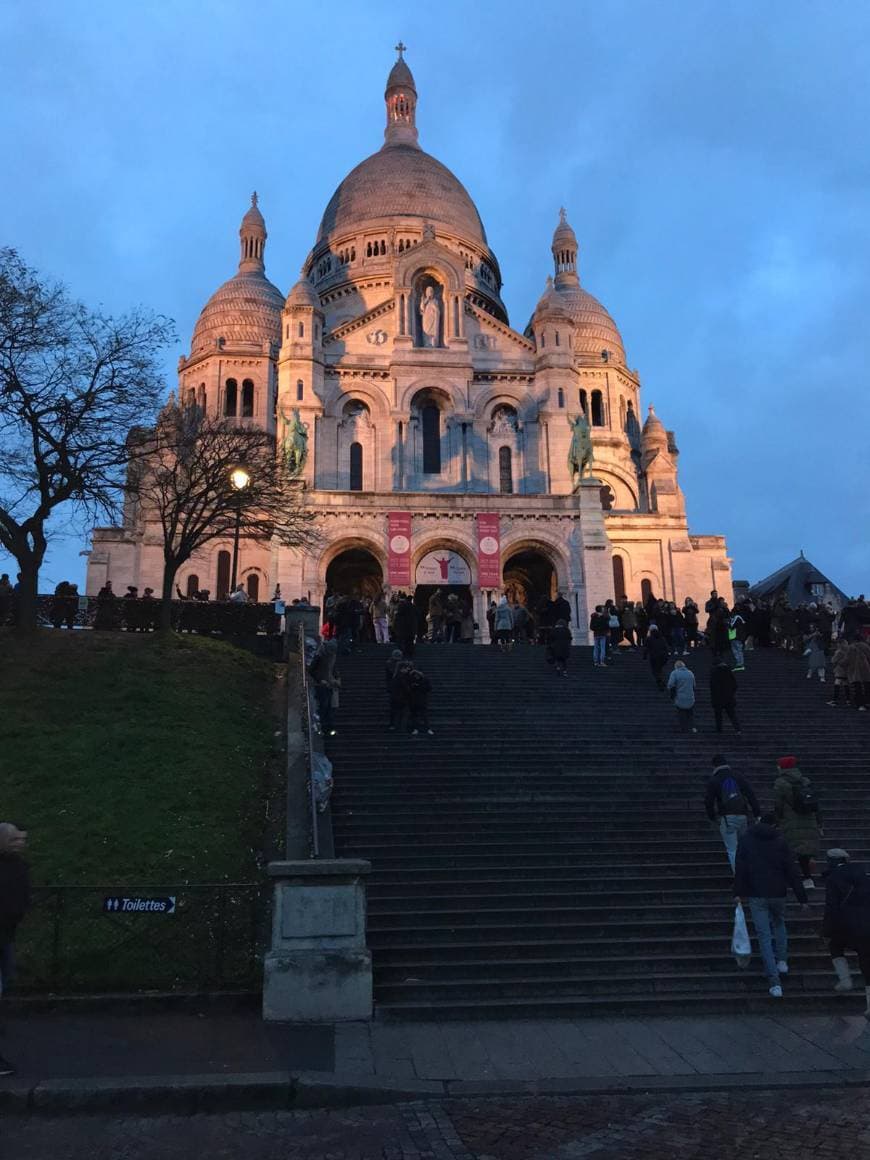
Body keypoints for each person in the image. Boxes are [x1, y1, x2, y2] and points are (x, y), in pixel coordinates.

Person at [734, 813, 809, 998]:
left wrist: (737, 892)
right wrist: (802, 897)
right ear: (774, 825)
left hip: (757, 892)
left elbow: (741, 867)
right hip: (778, 891)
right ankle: (782, 960)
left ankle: (774, 981)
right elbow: (791, 870)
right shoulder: (780, 841)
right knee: (779, 923)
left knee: (764, 936)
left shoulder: (746, 840)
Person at [822, 848, 870, 1015]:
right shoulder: (862, 875)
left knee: (835, 946)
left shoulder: (833, 878)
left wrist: (826, 931)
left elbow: (831, 907)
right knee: (866, 962)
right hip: (866, 923)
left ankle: (845, 980)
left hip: (844, 924)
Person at [0, 822, 30, 1076]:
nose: (20, 843)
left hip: (6, 936)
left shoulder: (18, 865)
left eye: (21, 840)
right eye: (14, 840)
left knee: (6, 981)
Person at [773, 755, 822, 889]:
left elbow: (778, 804)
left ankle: (787, 877)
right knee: (804, 850)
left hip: (791, 820)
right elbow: (815, 802)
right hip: (808, 818)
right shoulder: (805, 781)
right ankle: (808, 879)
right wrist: (819, 822)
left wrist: (777, 819)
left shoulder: (780, 783)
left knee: (788, 849)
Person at [705, 756, 760, 870]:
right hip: (742, 815)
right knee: (743, 846)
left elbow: (708, 801)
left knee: (732, 849)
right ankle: (749, 873)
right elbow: (750, 795)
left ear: (714, 766)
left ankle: (739, 877)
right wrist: (757, 813)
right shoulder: (738, 776)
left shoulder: (714, 779)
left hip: (727, 817)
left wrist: (712, 816)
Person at [309, 638, 339, 737]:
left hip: (330, 684)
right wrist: (320, 680)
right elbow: (311, 669)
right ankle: (323, 727)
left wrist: (336, 678)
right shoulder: (320, 656)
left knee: (330, 707)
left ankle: (329, 727)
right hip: (321, 684)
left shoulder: (333, 657)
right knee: (324, 705)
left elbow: (333, 669)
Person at [709, 660, 741, 734]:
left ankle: (719, 729)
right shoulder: (729, 672)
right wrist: (731, 693)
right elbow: (735, 685)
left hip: (718, 697)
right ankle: (738, 729)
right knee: (732, 714)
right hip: (729, 697)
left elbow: (712, 686)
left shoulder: (714, 673)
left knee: (718, 715)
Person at [667, 659, 697, 732]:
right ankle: (692, 727)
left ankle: (684, 728)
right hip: (690, 696)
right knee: (690, 713)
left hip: (680, 696)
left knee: (681, 713)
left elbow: (670, 684)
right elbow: (694, 685)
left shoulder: (674, 673)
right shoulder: (690, 673)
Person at [407, 666, 434, 736]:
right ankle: (416, 729)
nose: (416, 676)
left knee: (424, 716)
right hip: (414, 700)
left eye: (417, 674)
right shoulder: (411, 680)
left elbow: (429, 688)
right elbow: (407, 689)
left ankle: (428, 728)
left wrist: (419, 686)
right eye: (415, 674)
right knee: (415, 716)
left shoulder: (425, 680)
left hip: (422, 700)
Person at [385, 650, 408, 731]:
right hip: (395, 688)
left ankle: (397, 724)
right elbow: (391, 674)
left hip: (398, 688)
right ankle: (394, 724)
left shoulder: (401, 664)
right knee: (395, 707)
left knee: (398, 707)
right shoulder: (391, 664)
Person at [644, 625, 669, 689]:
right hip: (663, 656)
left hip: (654, 656)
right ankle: (661, 680)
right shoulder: (662, 638)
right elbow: (666, 647)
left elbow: (646, 648)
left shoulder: (649, 638)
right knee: (659, 668)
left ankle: (660, 680)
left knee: (655, 670)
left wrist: (645, 656)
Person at [828, 639, 852, 707]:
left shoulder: (839, 651)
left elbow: (833, 660)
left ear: (840, 644)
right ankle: (848, 700)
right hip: (847, 670)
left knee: (837, 683)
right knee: (846, 684)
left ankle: (835, 700)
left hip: (840, 670)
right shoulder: (849, 651)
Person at [393, 594, 417, 659]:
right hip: (410, 629)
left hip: (402, 629)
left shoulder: (401, 607)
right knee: (409, 642)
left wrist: (395, 626)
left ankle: (402, 653)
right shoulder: (412, 607)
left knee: (401, 641)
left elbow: (397, 618)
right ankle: (410, 654)